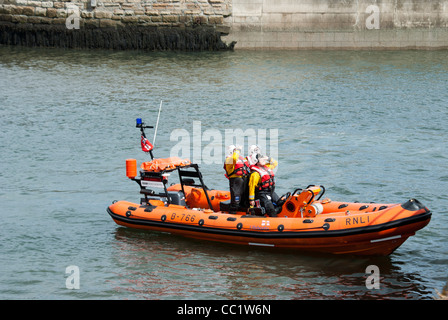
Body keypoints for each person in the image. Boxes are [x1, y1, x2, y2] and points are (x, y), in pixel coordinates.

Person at [224, 145, 250, 213]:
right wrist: (237, 150)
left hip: (244, 179)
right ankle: (233, 212)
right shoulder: (228, 159)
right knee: (236, 198)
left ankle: (244, 209)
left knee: (244, 198)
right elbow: (234, 159)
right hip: (236, 180)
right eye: (234, 150)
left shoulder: (241, 158)